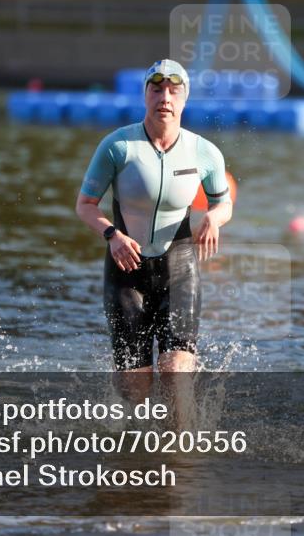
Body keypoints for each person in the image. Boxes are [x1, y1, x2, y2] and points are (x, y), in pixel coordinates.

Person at [75, 59, 233, 389]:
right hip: (125, 273)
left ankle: (184, 426)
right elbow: (85, 205)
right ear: (145, 95)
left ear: (184, 99)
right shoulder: (117, 146)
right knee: (136, 388)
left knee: (176, 372)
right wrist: (112, 234)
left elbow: (223, 203)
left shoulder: (204, 152)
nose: (165, 98)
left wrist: (213, 218)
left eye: (174, 92)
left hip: (179, 271)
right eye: (157, 90)